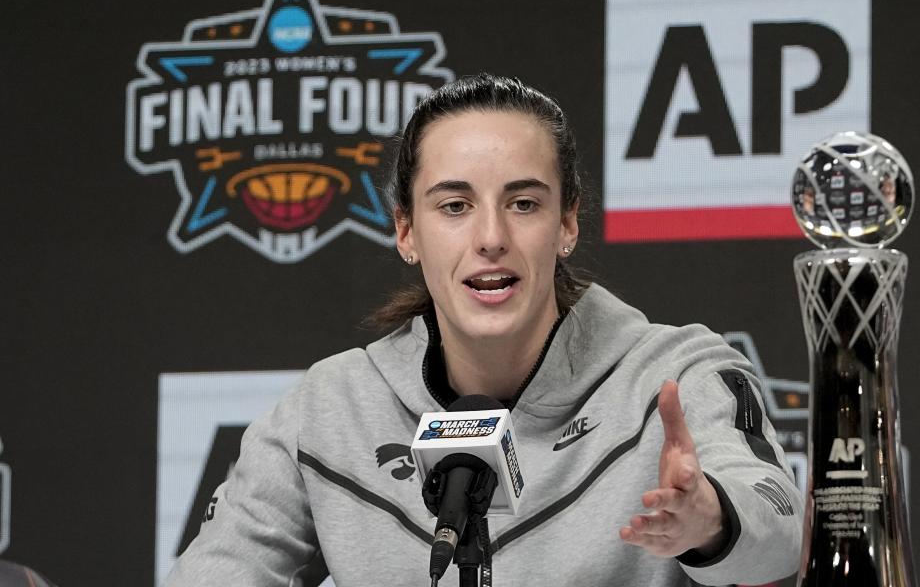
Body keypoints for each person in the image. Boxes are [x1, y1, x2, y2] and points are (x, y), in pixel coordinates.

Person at [164, 74, 802, 586]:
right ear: (407, 232)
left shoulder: (673, 373)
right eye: (454, 206)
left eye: (524, 204)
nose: (491, 238)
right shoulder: (330, 408)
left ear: (567, 225)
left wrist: (712, 518)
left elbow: (783, 524)